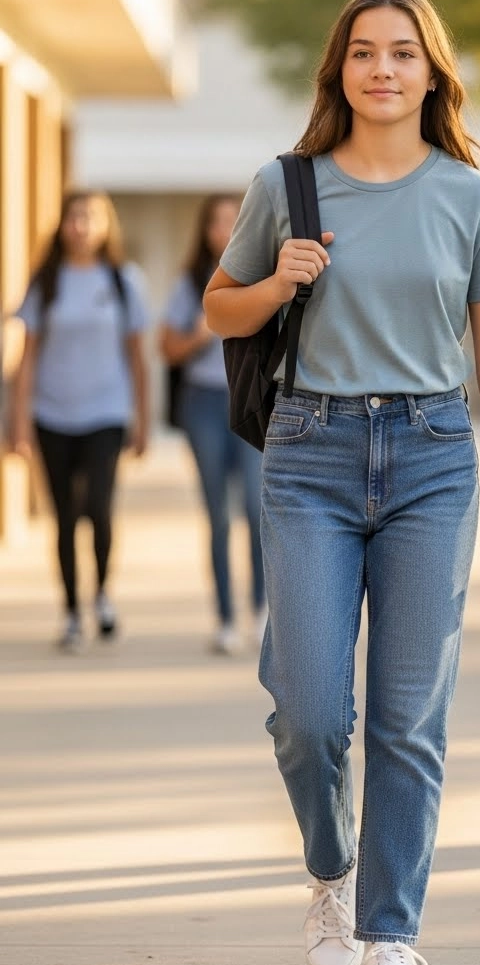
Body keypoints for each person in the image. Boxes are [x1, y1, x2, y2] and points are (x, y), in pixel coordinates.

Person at [203, 0, 480, 965]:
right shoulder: (286, 184)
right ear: (338, 69)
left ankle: (394, 936)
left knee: (407, 715)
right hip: (311, 449)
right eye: (363, 52)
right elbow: (220, 309)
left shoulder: (474, 197)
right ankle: (330, 871)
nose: (382, 69)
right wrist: (278, 281)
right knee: (307, 707)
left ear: (432, 71)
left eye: (402, 52)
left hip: (434, 455)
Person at [12, 190, 149, 651]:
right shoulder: (45, 281)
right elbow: (26, 357)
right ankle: (71, 610)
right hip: (51, 413)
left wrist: (143, 418)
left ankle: (103, 595)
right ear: (61, 224)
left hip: (106, 412)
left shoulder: (123, 280)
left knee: (100, 506)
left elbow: (137, 358)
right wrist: (17, 421)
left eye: (89, 217)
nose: (80, 226)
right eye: (73, 217)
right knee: (65, 516)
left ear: (105, 224)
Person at [159, 195, 267, 655]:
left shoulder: (264, 273)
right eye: (217, 222)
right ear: (205, 230)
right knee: (218, 517)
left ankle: (262, 612)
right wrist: (205, 329)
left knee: (260, 513)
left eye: (232, 220)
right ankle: (225, 618)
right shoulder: (189, 282)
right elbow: (168, 349)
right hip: (203, 404)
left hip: (251, 402)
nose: (224, 229)